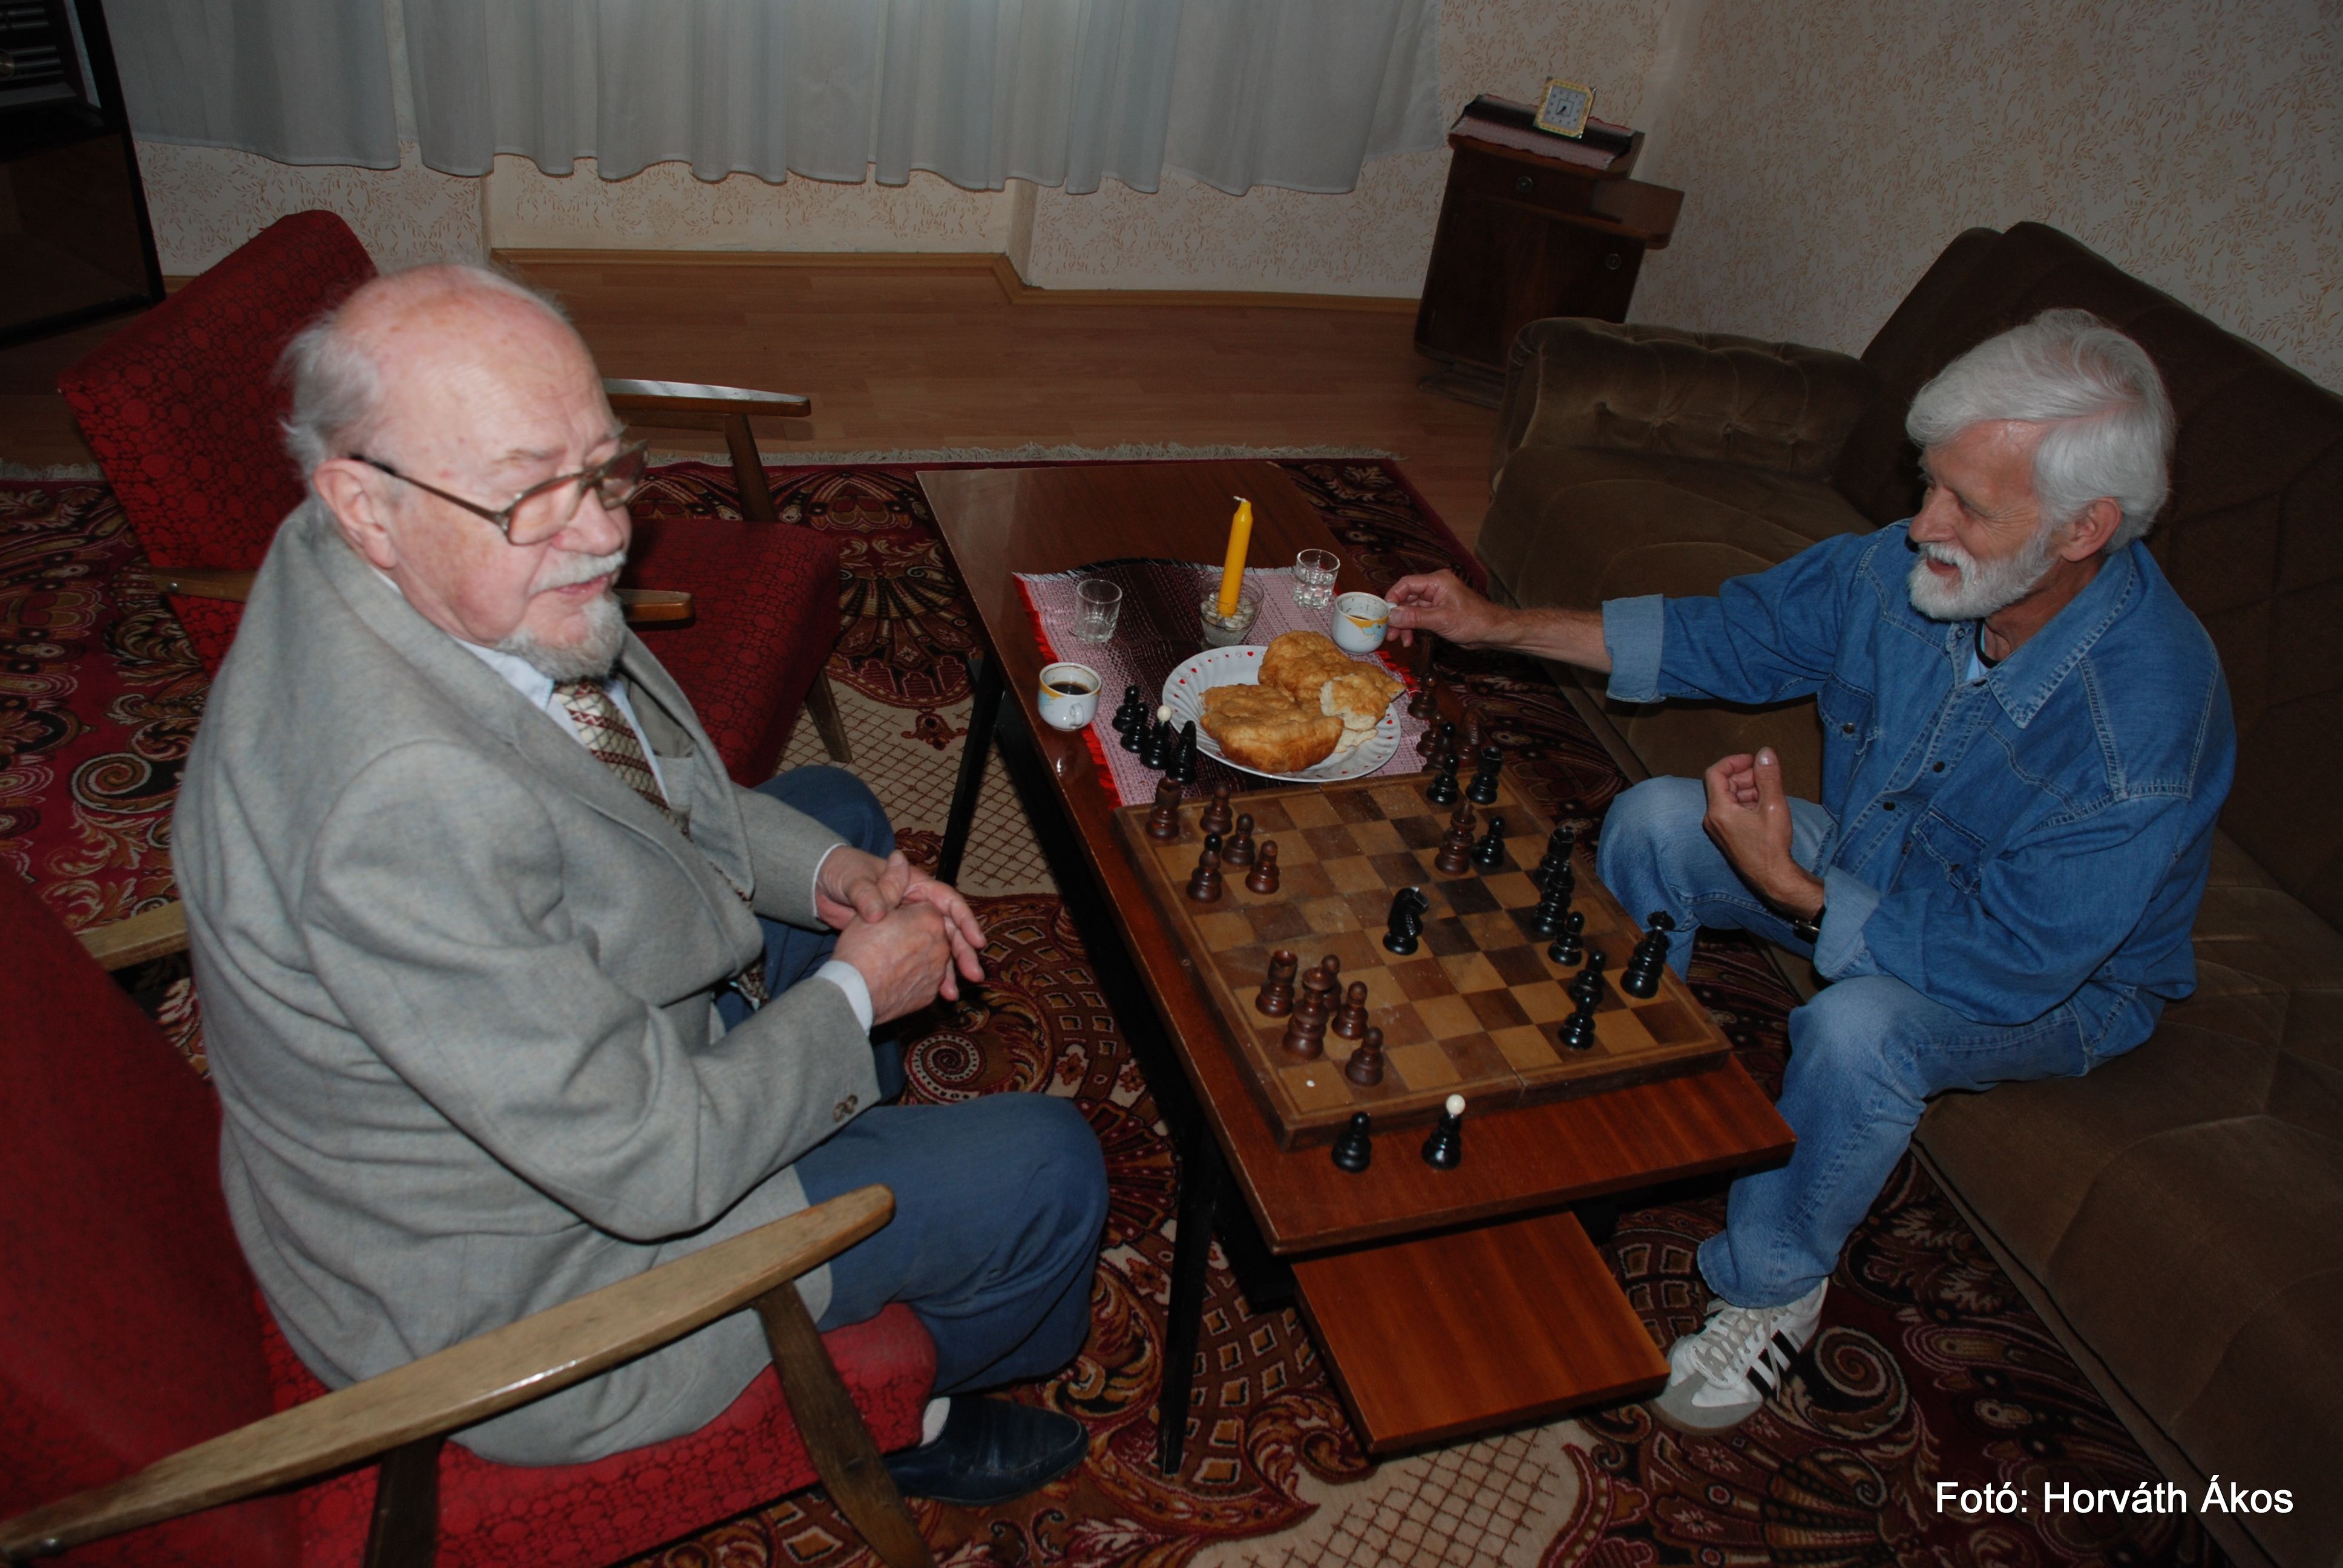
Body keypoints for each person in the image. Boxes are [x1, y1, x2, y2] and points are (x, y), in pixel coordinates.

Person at [174, 264, 1109, 1504]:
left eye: (606, 467)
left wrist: (833, 879)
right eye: (531, 494)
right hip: (537, 1285)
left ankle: (834, 1128)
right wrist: (849, 1002)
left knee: (835, 817)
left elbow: (653, 788)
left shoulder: (369, 556)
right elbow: (649, 1165)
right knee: (1049, 1169)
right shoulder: (395, 807)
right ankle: (913, 1413)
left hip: (547, 1089)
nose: (606, 535)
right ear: (366, 503)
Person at [1384, 309, 2232, 1432]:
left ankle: (1774, 1285)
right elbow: (1721, 637)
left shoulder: (2144, 726)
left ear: (2087, 529)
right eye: (1930, 484)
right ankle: (1618, 1091)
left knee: (1859, 1031)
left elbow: (2018, 963)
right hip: (1885, 867)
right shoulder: (1914, 569)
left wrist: (1797, 890)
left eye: (1968, 507)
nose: (1923, 525)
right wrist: (1496, 625)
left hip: (2058, 978)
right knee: (1655, 821)